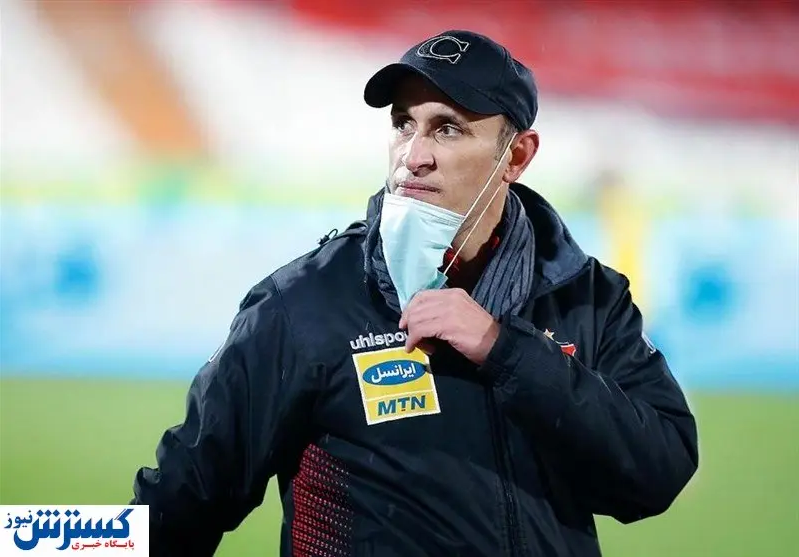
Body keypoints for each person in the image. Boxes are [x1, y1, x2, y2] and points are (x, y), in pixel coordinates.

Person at [132, 30, 699, 557]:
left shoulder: (587, 296)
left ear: (517, 156)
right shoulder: (302, 303)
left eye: (447, 128)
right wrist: (79, 541)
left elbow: (658, 473)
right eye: (405, 124)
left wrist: (505, 350)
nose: (414, 154)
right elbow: (180, 502)